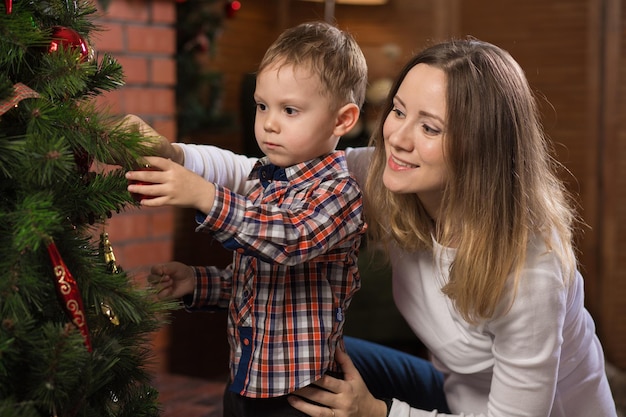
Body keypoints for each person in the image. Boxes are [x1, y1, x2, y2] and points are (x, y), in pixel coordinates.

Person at [124, 37, 618, 417]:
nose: (398, 138)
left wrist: (379, 412)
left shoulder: (531, 271)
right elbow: (266, 170)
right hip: (454, 393)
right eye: (398, 112)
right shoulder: (387, 176)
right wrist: (174, 155)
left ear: (480, 148)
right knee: (304, 364)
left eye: (429, 127)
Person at [125, 21, 368, 417]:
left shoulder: (339, 192)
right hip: (247, 378)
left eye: (290, 110)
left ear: (342, 120)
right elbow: (261, 285)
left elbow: (289, 241)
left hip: (300, 394)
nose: (269, 122)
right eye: (262, 106)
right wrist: (198, 282)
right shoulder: (263, 179)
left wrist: (204, 194)